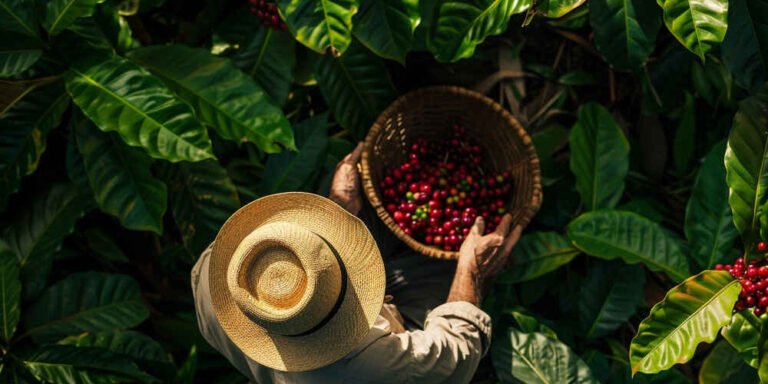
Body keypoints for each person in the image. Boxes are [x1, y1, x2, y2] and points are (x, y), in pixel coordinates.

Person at [191, 143, 523, 383]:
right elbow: (455, 355)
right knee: (444, 270)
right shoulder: (367, 368)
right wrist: (469, 272)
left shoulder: (217, 272)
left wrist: (339, 205)